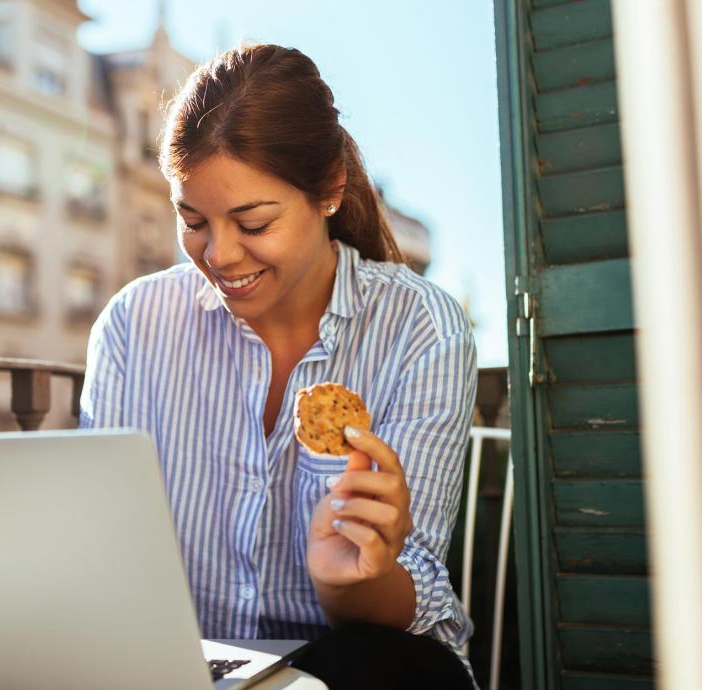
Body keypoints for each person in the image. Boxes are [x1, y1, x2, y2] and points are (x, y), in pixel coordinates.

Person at [79, 43, 477, 690]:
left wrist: (350, 578)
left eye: (254, 222)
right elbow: (101, 548)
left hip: (352, 659)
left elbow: (411, 601)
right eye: (193, 221)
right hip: (180, 666)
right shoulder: (133, 324)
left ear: (329, 192)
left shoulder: (420, 326)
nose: (220, 255)